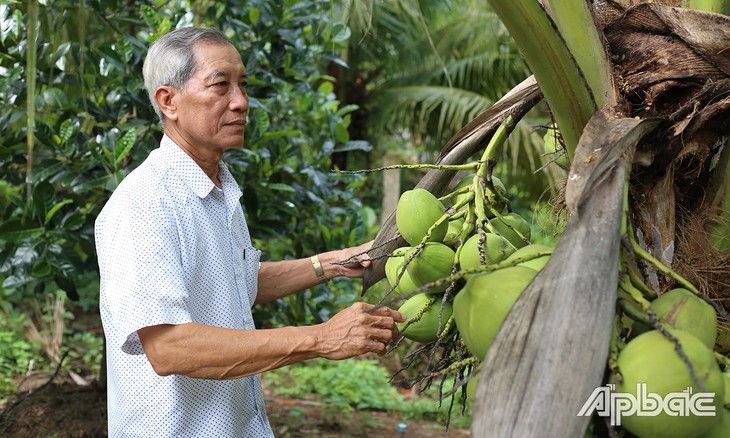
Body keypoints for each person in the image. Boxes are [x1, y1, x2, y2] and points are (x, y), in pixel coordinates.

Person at [95, 26, 405, 437]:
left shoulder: (217, 188)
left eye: (242, 85)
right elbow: (168, 346)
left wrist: (330, 264)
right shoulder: (144, 204)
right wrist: (319, 338)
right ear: (168, 101)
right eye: (220, 86)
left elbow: (233, 284)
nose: (240, 102)